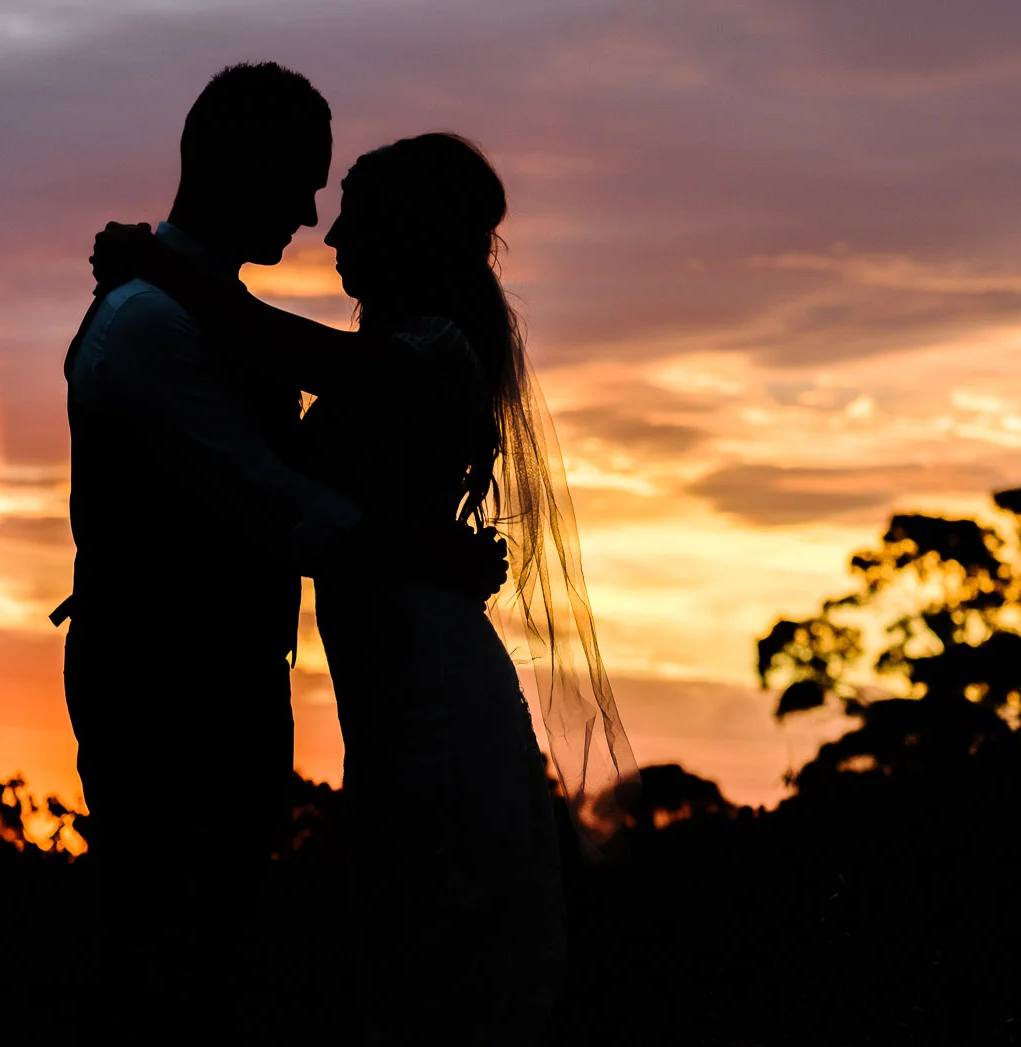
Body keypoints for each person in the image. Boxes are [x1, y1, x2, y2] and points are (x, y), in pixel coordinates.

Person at [91, 130, 637, 1045]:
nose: (331, 234)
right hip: (392, 679)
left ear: (407, 235)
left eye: (356, 215)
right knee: (403, 932)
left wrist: (161, 264)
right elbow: (285, 492)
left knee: (438, 932)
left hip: (429, 678)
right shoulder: (394, 352)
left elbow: (276, 348)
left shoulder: (437, 350)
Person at [58, 65, 504, 1035]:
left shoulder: (389, 348)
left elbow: (286, 386)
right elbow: (277, 503)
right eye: (304, 184)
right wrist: (424, 554)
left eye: (337, 200)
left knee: (230, 951)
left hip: (286, 677)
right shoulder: (150, 323)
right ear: (238, 165)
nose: (316, 222)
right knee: (171, 958)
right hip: (166, 685)